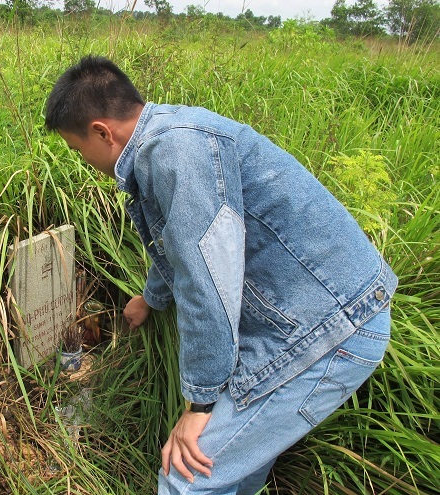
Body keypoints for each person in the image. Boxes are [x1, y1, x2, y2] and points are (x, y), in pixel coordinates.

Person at [44, 55, 397, 495]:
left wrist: (201, 403)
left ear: (102, 131)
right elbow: (179, 240)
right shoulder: (171, 134)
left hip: (330, 330)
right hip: (317, 310)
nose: (83, 161)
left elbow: (206, 278)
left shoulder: (176, 153)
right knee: (234, 469)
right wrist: (151, 297)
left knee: (185, 476)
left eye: (78, 150)